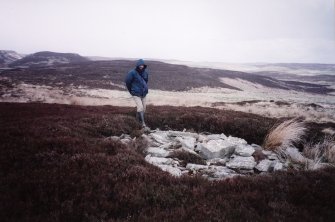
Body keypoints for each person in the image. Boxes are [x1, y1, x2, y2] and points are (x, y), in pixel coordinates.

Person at [125, 59, 149, 128]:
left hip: (143, 93)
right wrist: (131, 91)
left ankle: (137, 121)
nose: (141, 66)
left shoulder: (145, 73)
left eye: (142, 65)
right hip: (136, 93)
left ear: (144, 65)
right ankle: (143, 123)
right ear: (137, 65)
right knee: (140, 107)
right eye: (140, 65)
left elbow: (146, 81)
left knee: (144, 109)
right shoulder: (132, 73)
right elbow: (128, 82)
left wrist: (144, 88)